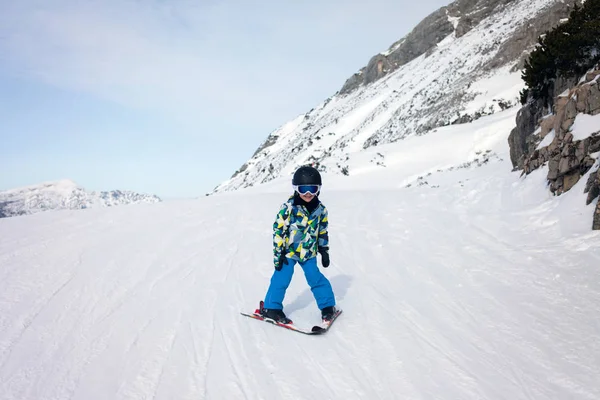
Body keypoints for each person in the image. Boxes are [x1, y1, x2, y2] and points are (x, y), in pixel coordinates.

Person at [260, 165, 337, 324]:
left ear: (318, 189)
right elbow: (279, 230)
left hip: (309, 252)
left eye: (312, 189)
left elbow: (322, 230)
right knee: (281, 279)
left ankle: (327, 306)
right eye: (303, 189)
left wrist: (323, 249)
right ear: (296, 189)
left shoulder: (321, 210)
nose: (308, 194)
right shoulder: (288, 208)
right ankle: (271, 308)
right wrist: (278, 254)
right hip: (288, 252)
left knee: (315, 278)